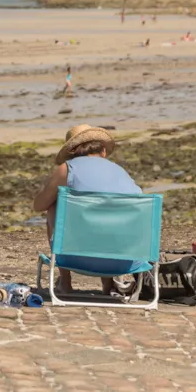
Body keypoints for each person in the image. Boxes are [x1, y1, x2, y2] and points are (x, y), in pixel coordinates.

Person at [33, 125, 143, 294]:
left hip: (76, 257)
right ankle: (108, 283)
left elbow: (38, 205)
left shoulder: (68, 169)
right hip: (125, 260)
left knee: (54, 204)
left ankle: (65, 282)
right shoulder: (121, 172)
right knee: (109, 212)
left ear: (71, 152)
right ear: (104, 151)